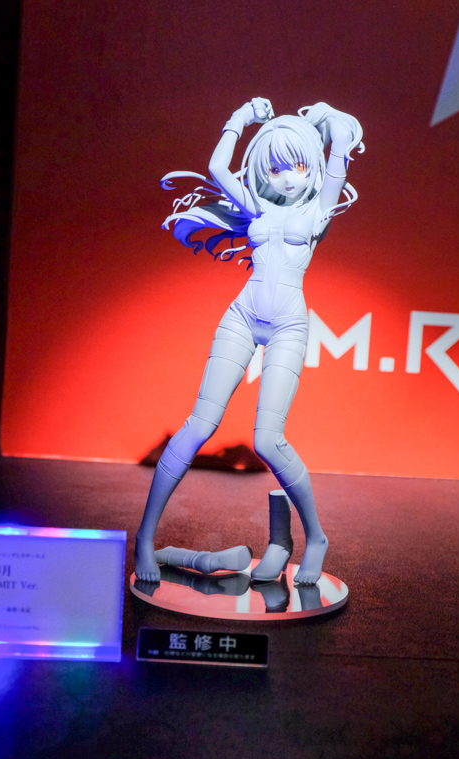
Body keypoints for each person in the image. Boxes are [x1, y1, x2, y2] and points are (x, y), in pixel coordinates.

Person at [135, 98, 364, 584]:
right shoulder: (257, 206)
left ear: (313, 164)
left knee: (267, 440)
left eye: (297, 166)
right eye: (275, 168)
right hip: (241, 316)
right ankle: (144, 540)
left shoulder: (320, 208)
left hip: (287, 326)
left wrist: (327, 117)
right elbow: (218, 168)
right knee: (197, 426)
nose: (288, 178)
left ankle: (315, 537)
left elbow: (341, 149)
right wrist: (240, 118)